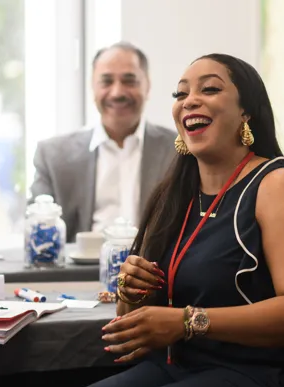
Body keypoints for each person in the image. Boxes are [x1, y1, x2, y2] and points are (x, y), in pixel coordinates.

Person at [3, 54, 284, 387]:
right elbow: (135, 327)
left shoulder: (278, 182)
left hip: (253, 377)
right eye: (180, 94)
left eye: (209, 89)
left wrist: (187, 321)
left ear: (247, 110)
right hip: (177, 367)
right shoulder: (175, 194)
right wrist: (132, 292)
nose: (189, 101)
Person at [29, 42, 177, 241]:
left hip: (155, 269)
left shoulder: (179, 150)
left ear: (147, 86)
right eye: (106, 81)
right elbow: (36, 229)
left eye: (129, 81)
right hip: (79, 270)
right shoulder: (53, 156)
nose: (117, 92)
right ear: (93, 87)